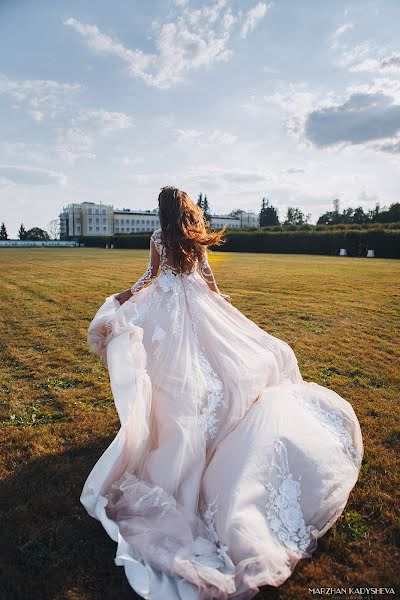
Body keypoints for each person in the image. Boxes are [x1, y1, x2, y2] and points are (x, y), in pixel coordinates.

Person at [81, 186, 363, 600]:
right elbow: (209, 279)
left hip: (170, 303)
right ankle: (202, 427)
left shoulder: (159, 239)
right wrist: (219, 301)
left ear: (162, 212)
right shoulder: (194, 237)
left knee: (172, 372)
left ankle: (175, 429)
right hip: (195, 302)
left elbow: (152, 277)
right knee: (211, 368)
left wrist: (125, 296)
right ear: (187, 210)